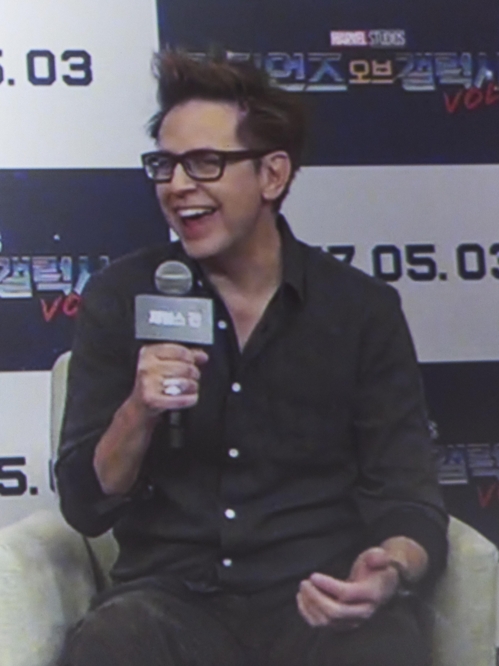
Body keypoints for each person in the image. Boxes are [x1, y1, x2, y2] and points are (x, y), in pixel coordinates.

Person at [56, 49, 448, 666]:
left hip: (315, 599)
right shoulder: (120, 296)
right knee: (114, 640)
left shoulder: (360, 310)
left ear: (272, 175)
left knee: (385, 646)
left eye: (204, 163)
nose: (177, 186)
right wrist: (139, 410)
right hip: (169, 604)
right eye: (165, 165)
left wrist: (391, 567)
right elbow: (84, 503)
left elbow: (407, 491)